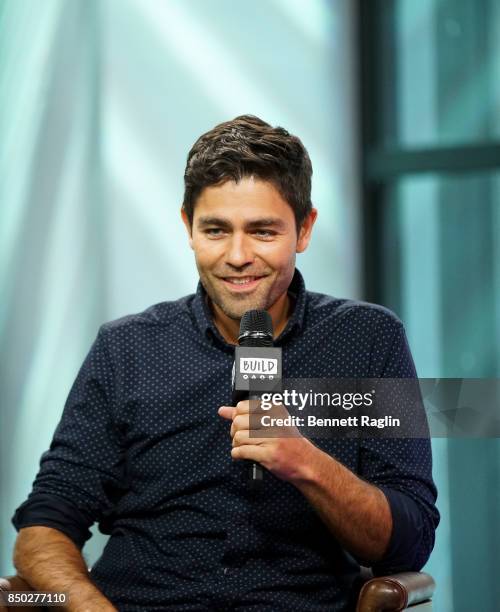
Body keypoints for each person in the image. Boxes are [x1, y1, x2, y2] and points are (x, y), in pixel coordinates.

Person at [12, 115, 439, 611]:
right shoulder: (125, 348)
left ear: (304, 229)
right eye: (216, 229)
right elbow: (45, 524)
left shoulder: (369, 339)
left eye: (262, 231)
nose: (237, 256)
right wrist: (90, 606)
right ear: (188, 228)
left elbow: (409, 541)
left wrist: (306, 464)